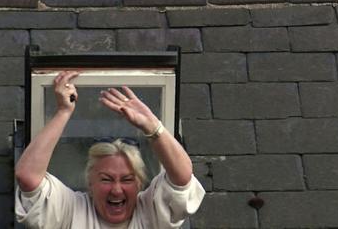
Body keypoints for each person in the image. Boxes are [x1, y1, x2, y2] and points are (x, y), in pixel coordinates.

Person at [15, 71, 205, 228]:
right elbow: (28, 177)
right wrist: (63, 112)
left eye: (127, 179)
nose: (116, 189)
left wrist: (153, 126)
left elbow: (182, 178)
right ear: (90, 184)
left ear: (139, 184)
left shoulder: (150, 212)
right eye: (106, 179)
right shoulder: (72, 209)